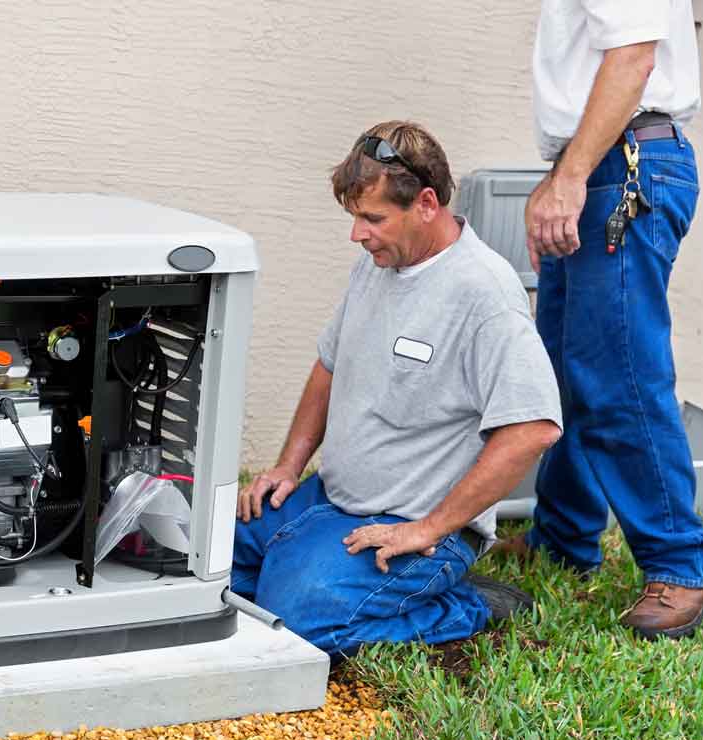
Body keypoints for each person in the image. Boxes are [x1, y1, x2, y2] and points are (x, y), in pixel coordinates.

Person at [234, 121, 563, 658]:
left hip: (413, 526)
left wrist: (429, 528)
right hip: (329, 500)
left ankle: (466, 606)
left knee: (296, 626)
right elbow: (329, 367)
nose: (357, 234)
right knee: (209, 566)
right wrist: (288, 466)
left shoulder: (483, 293)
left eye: (373, 218)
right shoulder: (378, 264)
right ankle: (309, 564)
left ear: (427, 203)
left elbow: (533, 429)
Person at [498, 1, 703, 639]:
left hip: (622, 168)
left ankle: (682, 566)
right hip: (603, 165)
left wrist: (568, 177)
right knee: (565, 369)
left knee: (617, 373)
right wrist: (567, 177)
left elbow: (634, 57)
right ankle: (564, 536)